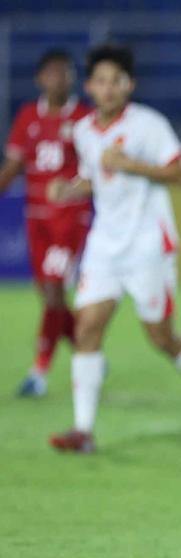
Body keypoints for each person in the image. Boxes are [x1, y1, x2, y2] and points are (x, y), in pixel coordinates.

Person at [47, 44, 181, 454]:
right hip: (105, 245)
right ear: (90, 86)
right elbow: (96, 177)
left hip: (148, 245)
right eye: (101, 81)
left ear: (129, 85)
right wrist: (70, 189)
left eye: (116, 81)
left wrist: (132, 164)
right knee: (87, 327)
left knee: (161, 337)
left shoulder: (149, 124)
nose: (108, 89)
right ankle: (84, 429)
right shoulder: (85, 130)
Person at [0, 49, 92, 398]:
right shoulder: (28, 117)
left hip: (69, 219)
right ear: (40, 79)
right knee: (49, 297)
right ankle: (87, 348)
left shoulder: (83, 119)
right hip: (36, 219)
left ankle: (39, 373)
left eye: (65, 73)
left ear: (73, 79)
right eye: (52, 73)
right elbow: (12, 166)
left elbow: (94, 168)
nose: (59, 79)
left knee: (54, 290)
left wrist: (71, 189)